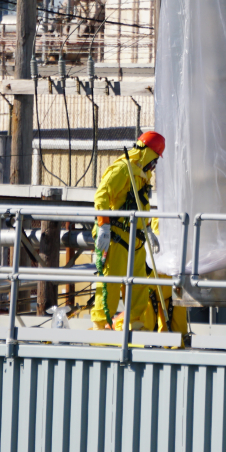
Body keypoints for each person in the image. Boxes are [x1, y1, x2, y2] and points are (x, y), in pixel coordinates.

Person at [91, 130, 164, 330]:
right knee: (110, 284)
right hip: (116, 238)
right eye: (155, 159)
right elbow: (102, 196)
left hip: (137, 240)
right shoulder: (123, 169)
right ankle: (101, 326)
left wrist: (148, 229)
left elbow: (142, 205)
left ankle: (133, 324)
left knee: (138, 285)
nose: (155, 165)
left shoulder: (142, 174)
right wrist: (103, 225)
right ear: (148, 152)